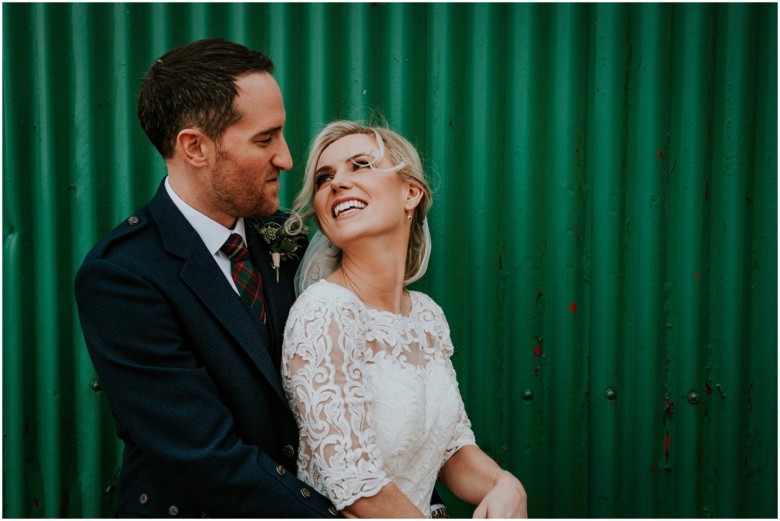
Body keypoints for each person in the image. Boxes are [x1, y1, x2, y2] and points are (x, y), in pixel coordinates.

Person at [74, 38, 340, 517]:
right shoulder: (122, 277)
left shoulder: (293, 242)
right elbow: (206, 459)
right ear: (194, 147)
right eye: (265, 139)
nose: (286, 158)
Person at [280, 120, 528, 518]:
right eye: (325, 177)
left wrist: (504, 484)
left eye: (359, 165)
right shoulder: (325, 310)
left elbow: (451, 450)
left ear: (410, 192)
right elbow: (359, 490)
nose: (336, 183)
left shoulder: (426, 316)